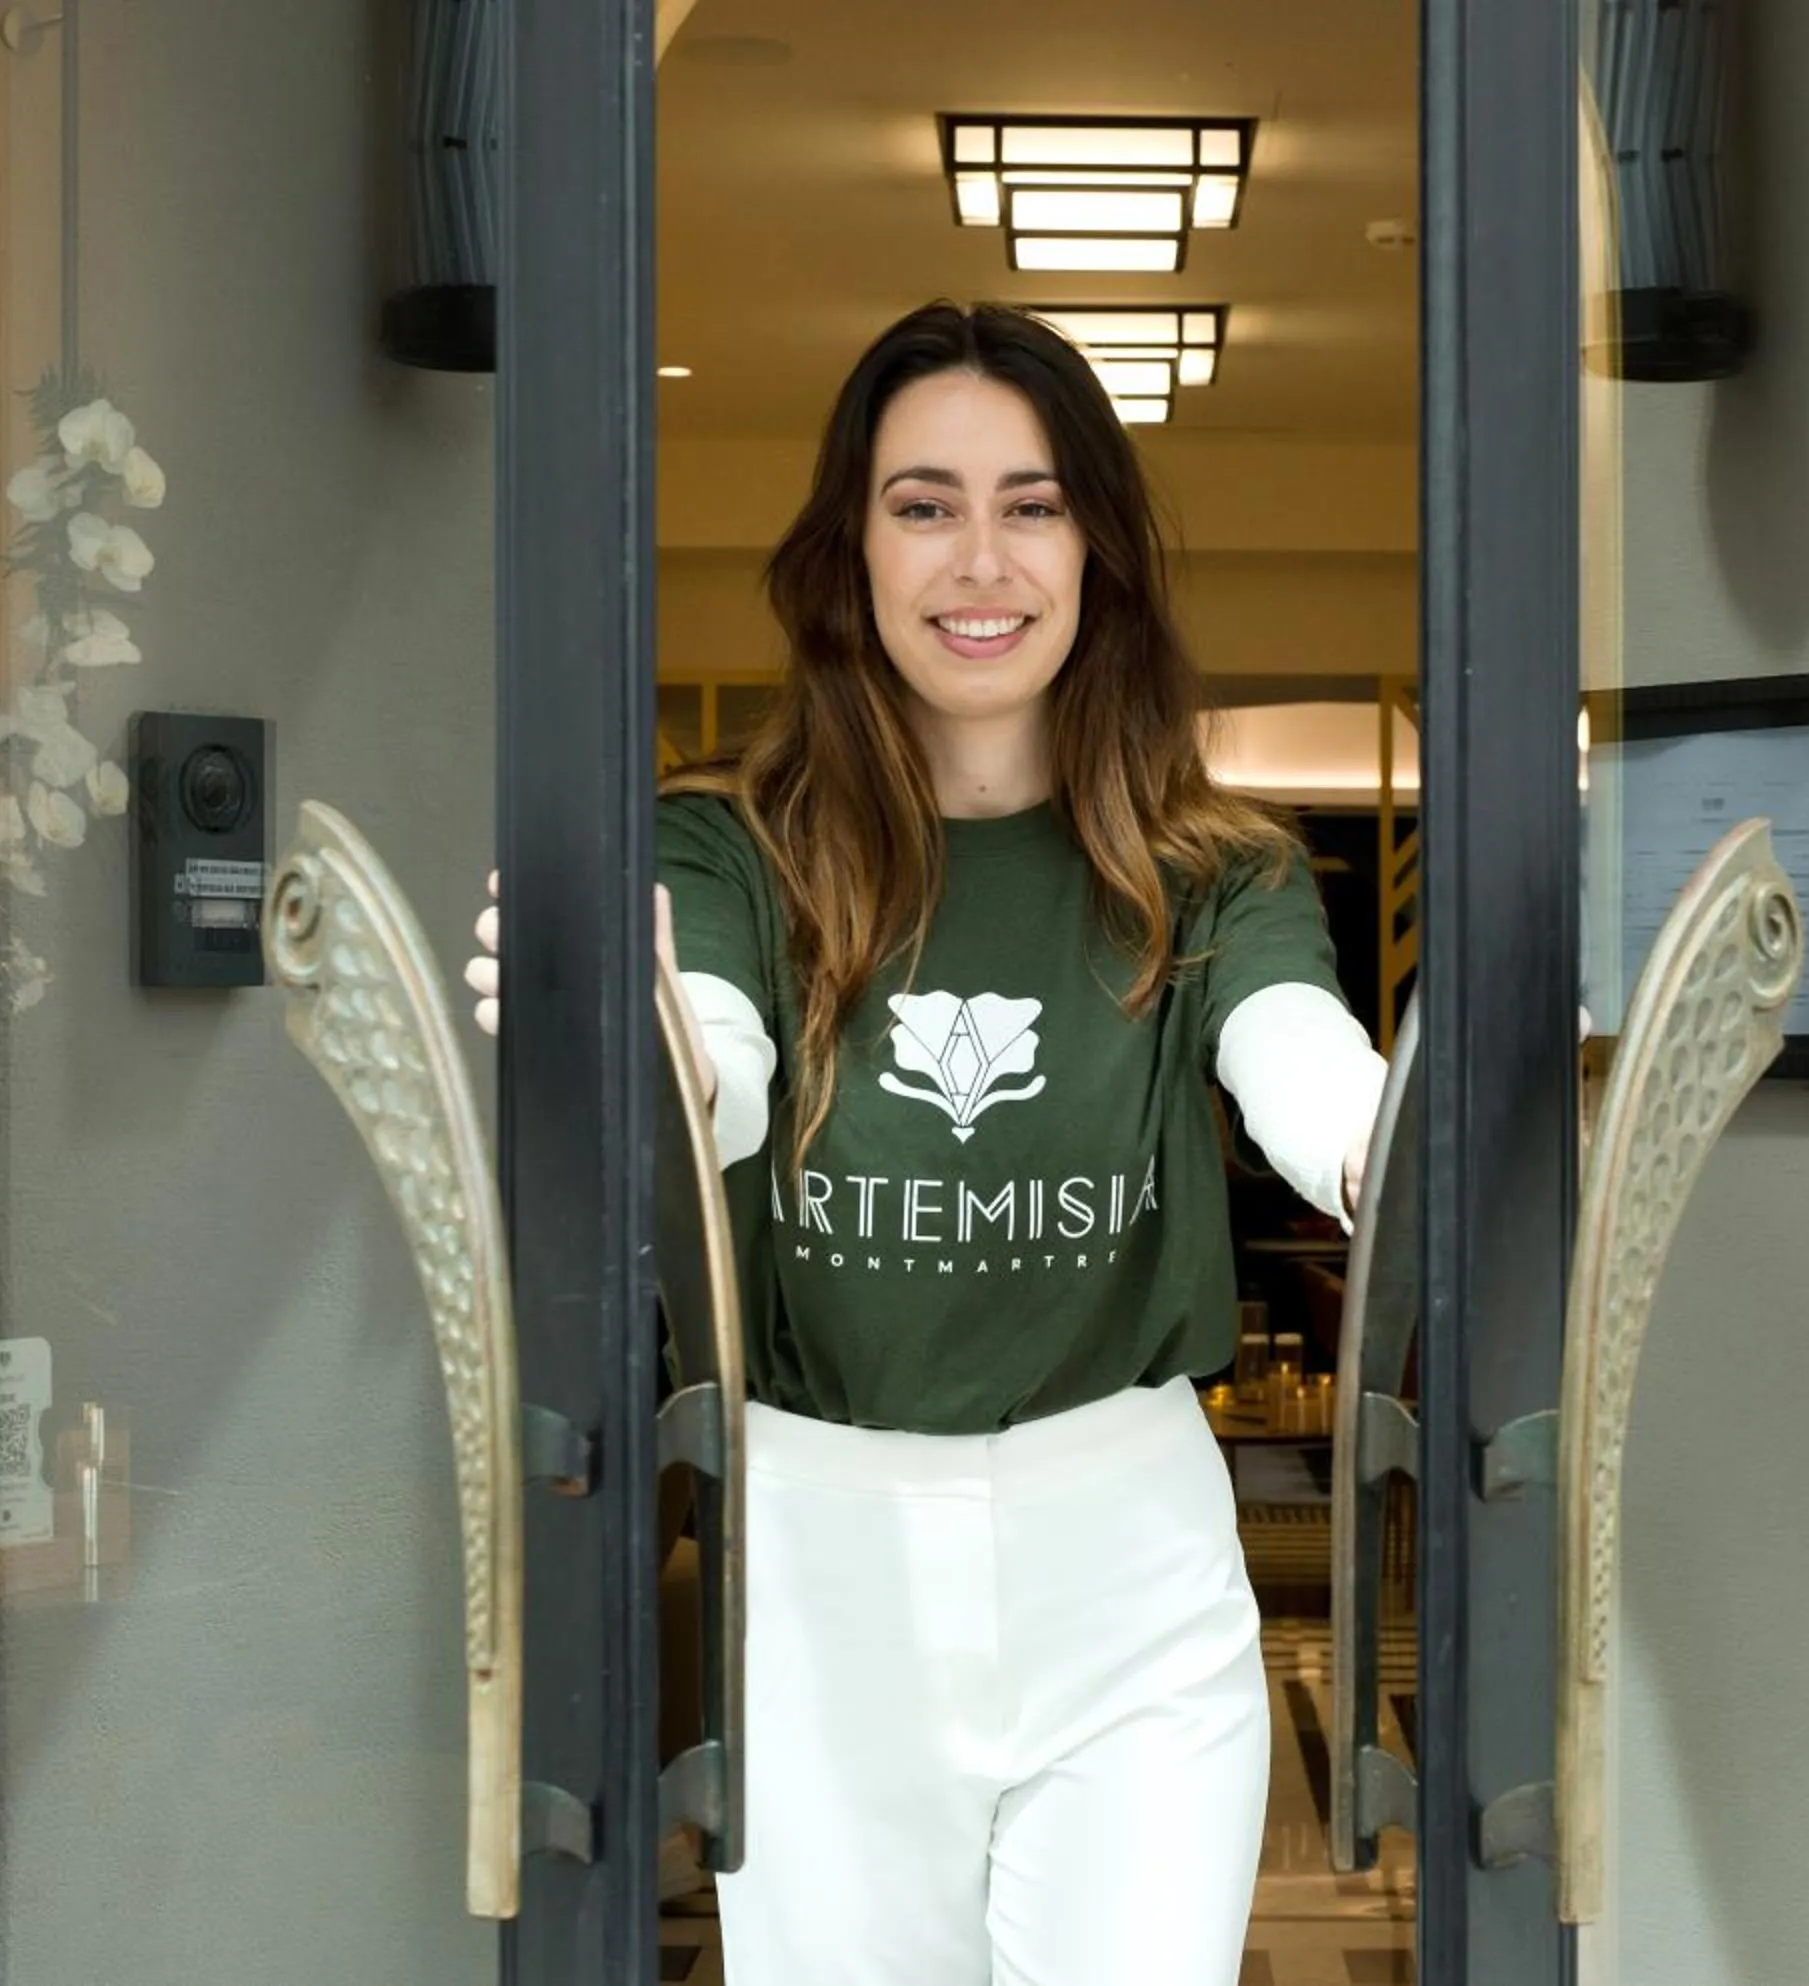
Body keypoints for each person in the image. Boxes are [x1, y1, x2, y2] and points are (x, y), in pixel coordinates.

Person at [466, 300, 1389, 1985]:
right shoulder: (720, 848)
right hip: (822, 1569)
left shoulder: (1214, 870)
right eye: (923, 502)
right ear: (851, 547)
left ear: (1097, 546)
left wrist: (1386, 1147)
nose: (983, 559)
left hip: (1132, 1567)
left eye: (1032, 503)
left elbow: (1295, 1055)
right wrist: (637, 1043)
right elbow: (719, 1073)